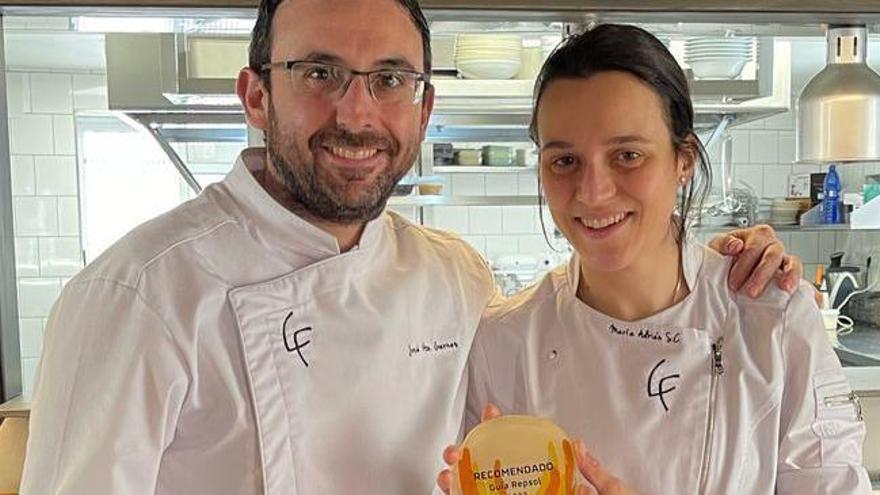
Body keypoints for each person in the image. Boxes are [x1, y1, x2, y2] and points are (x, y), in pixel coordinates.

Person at [21, 2, 801, 493]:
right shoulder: (135, 297)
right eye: (320, 71)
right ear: (257, 94)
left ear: (424, 108)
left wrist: (711, 258)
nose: (357, 113)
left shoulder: (450, 275)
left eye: (390, 77)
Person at [438, 24, 869, 495]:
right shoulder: (504, 341)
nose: (593, 192)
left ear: (683, 159)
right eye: (565, 161)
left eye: (627, 155)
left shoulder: (773, 321)